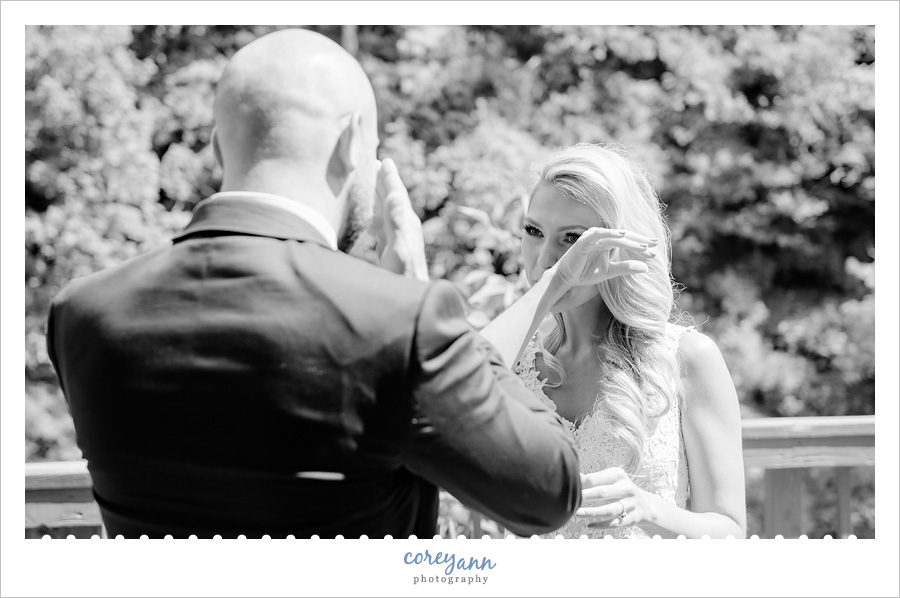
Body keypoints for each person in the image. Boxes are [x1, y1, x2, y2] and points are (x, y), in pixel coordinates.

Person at [46, 29, 599, 539]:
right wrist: (420, 299)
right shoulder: (399, 321)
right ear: (352, 140)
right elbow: (550, 489)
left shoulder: (82, 313)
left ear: (217, 147)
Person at [480, 143, 748, 539]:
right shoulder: (513, 358)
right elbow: (443, 386)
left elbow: (731, 535)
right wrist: (547, 290)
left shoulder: (687, 358)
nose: (544, 260)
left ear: (620, 247)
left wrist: (649, 508)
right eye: (534, 231)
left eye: (572, 239)